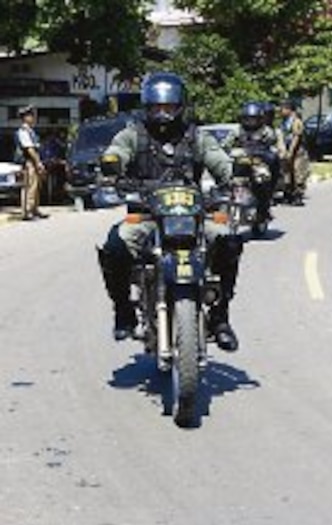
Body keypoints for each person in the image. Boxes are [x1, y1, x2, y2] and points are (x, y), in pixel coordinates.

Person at [97, 72, 242, 351]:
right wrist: (111, 165)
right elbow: (117, 152)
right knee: (115, 245)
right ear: (147, 107)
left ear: (180, 106)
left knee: (228, 240)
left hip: (192, 215)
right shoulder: (132, 135)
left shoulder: (197, 137)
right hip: (147, 214)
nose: (162, 114)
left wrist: (235, 175)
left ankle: (220, 316)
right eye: (156, 108)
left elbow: (220, 161)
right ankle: (123, 311)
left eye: (169, 107)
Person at [226, 101, 283, 221]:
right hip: (240, 161)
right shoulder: (237, 130)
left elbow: (272, 148)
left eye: (254, 119)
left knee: (263, 178)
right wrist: (231, 152)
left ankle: (263, 207)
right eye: (248, 119)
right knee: (226, 178)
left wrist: (266, 154)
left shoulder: (266, 131)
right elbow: (226, 145)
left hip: (258, 162)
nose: (250, 122)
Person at [14, 105, 49, 221]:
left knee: (35, 187)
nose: (34, 118)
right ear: (25, 118)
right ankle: (27, 212)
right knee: (29, 186)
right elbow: (30, 149)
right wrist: (38, 162)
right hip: (28, 162)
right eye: (31, 115)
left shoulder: (30, 131)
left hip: (33, 162)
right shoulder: (23, 131)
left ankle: (34, 209)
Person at [279, 99, 309, 206]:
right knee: (287, 173)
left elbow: (296, 137)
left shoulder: (296, 121)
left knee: (298, 173)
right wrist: (283, 150)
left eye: (283, 108)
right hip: (287, 150)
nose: (280, 111)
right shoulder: (283, 121)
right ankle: (288, 194)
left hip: (298, 151)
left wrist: (291, 151)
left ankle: (298, 196)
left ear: (289, 109)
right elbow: (281, 136)